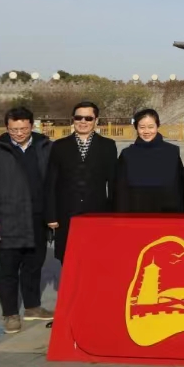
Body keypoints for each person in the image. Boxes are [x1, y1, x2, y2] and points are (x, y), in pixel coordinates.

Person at [0, 107, 53, 334]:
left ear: (32, 125)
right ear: (7, 127)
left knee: (34, 266)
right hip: (7, 219)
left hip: (38, 219)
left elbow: (54, 182)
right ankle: (10, 313)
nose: (19, 133)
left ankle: (32, 306)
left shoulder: (45, 147)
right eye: (13, 129)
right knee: (8, 269)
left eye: (23, 129)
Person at [45, 100, 118, 263]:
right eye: (78, 118)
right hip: (66, 213)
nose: (83, 122)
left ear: (96, 120)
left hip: (97, 213)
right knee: (68, 259)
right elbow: (51, 183)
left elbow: (113, 183)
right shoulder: (59, 146)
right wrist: (51, 215)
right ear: (73, 119)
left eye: (88, 118)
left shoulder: (107, 146)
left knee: (96, 258)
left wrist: (113, 213)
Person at [115, 109, 184, 213]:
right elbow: (120, 191)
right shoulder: (127, 154)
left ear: (157, 126)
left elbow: (180, 186)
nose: (146, 131)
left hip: (168, 212)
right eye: (142, 127)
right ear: (136, 128)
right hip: (136, 211)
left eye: (151, 127)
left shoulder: (172, 152)